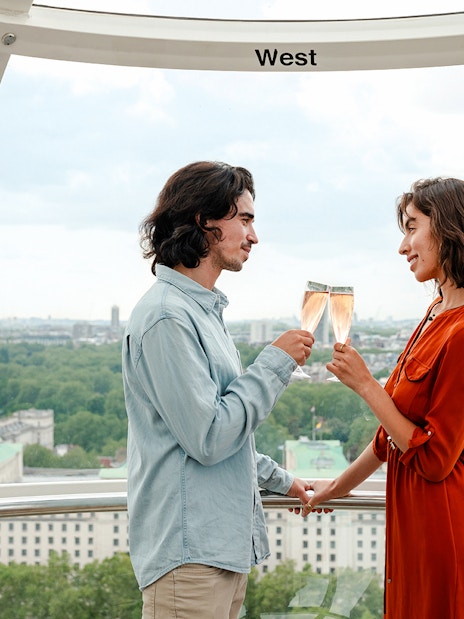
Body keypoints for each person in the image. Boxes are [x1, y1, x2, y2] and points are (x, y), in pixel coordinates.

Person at [122, 161, 315, 619]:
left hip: (218, 552)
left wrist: (282, 481)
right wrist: (275, 363)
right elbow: (208, 436)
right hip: (189, 558)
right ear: (203, 223)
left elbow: (224, 430)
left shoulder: (201, 312)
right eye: (244, 219)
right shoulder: (168, 316)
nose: (254, 235)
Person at [303, 177, 464, 618]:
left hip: (442, 530)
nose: (403, 246)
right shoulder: (435, 313)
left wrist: (367, 386)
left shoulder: (462, 331)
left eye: (412, 228)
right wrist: (331, 490)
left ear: (449, 228)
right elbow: (388, 437)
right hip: (411, 528)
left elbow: (434, 460)